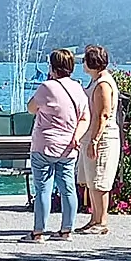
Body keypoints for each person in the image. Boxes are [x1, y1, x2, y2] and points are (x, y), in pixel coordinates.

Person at [23, 49, 87, 242]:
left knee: (43, 189)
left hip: (45, 145)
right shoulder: (78, 88)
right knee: (68, 188)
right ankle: (66, 230)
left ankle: (38, 232)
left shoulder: (47, 87)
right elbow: (85, 118)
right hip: (69, 147)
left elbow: (31, 108)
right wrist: (76, 137)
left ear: (52, 67)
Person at [80, 44, 121, 233]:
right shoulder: (96, 81)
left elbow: (103, 114)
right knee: (92, 180)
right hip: (92, 136)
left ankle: (102, 221)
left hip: (103, 138)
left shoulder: (103, 84)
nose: (82, 63)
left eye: (85, 60)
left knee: (100, 179)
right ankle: (94, 218)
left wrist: (95, 140)